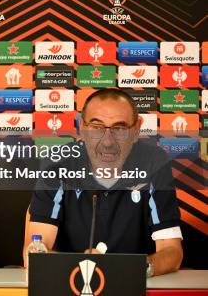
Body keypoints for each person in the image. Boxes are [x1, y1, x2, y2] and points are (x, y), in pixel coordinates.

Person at [24, 88, 183, 277]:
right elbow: (34, 252)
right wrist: (83, 267)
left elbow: (172, 252)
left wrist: (129, 269)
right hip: (69, 285)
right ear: (82, 127)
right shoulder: (57, 163)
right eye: (96, 127)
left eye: (119, 128)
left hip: (135, 285)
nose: (107, 142)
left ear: (136, 129)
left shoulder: (154, 162)